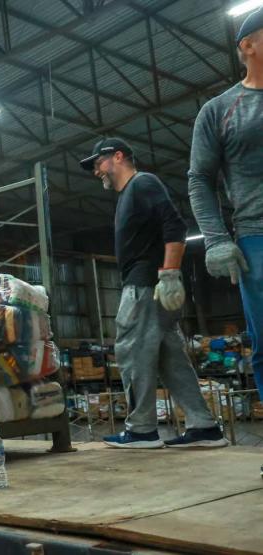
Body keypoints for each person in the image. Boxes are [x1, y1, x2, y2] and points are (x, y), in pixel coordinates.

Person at [79, 138, 227, 449]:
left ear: (118, 156)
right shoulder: (129, 195)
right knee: (170, 359)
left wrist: (169, 274)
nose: (96, 171)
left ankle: (141, 429)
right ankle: (204, 426)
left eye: (99, 163)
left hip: (146, 286)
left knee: (132, 353)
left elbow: (175, 225)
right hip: (154, 288)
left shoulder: (143, 183)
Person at [187, 9, 263, 432]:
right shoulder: (220, 110)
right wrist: (216, 239)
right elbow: (200, 178)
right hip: (257, 236)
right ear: (247, 46)